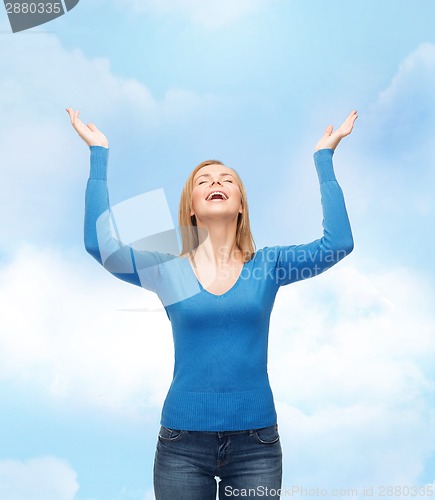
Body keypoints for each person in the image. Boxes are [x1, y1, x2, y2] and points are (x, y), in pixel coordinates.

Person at [66, 107, 357, 499]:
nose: (215, 182)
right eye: (203, 180)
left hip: (256, 446)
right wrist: (98, 153)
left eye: (227, 180)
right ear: (191, 206)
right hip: (182, 444)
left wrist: (324, 158)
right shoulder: (166, 268)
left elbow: (337, 243)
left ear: (240, 205)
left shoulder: (268, 265)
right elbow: (99, 245)